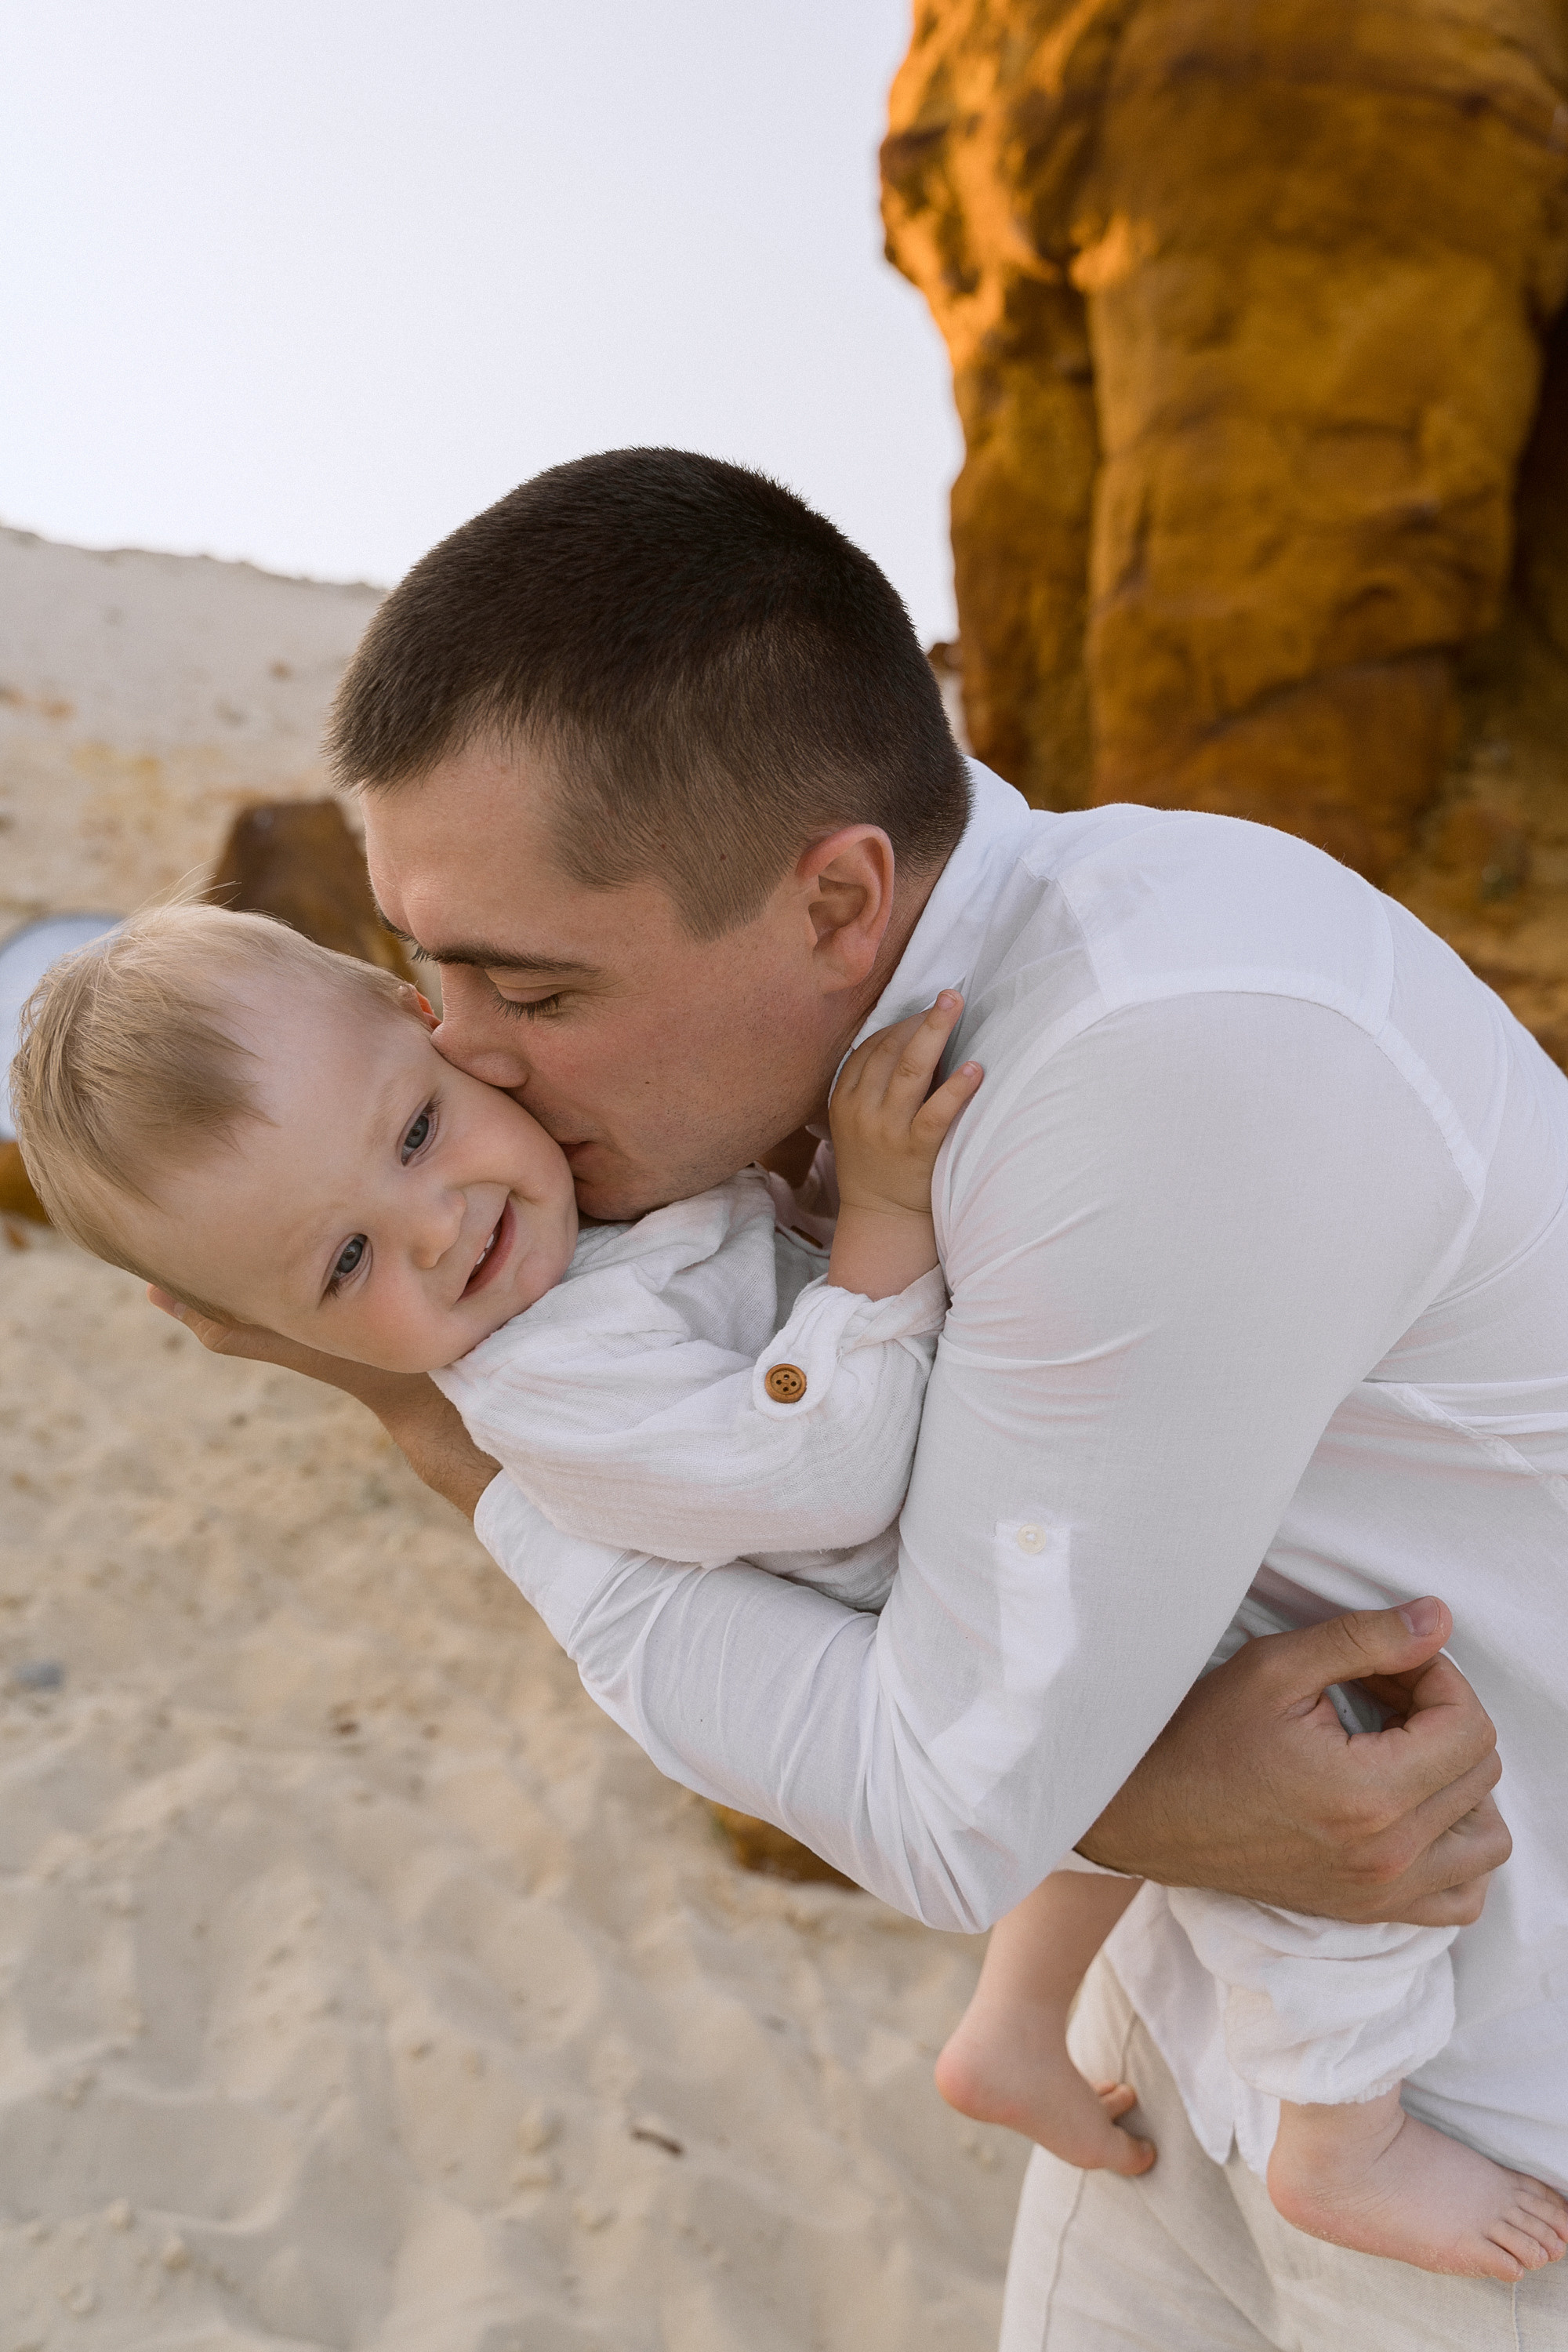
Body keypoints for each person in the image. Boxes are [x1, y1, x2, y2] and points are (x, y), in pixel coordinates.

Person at [118, 452, 1566, 2347]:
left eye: (531, 991)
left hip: (1483, 2100)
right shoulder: (799, 1098)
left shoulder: (1151, 1073)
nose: (460, 1057)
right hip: (1192, 2031)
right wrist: (1167, 1811)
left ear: (833, 898)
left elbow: (942, 1805)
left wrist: (430, 1424)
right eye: (423, 973)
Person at [16, 899, 1561, 2285]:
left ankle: (1015, 2028)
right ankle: (1340, 2131)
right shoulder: (552, 1373)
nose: (437, 1223)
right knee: (1313, 1837)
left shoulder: (589, 1239)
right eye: (348, 1263)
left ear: (430, 1023)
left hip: (980, 1569)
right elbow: (814, 1466)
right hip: (935, 1592)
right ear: (263, 1333)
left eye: (415, 1134)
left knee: (1109, 1819)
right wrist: (883, 1220)